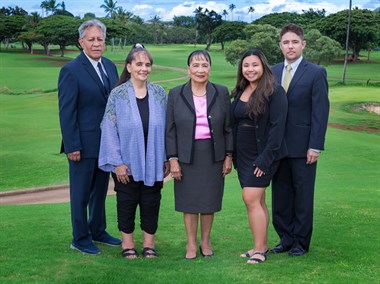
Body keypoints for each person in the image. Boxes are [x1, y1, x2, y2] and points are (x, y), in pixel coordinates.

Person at [98, 44, 169, 259]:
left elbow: (167, 127)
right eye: (139, 64)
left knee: (151, 203)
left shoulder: (159, 93)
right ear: (129, 66)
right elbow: (109, 128)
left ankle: (149, 245)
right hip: (125, 164)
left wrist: (166, 158)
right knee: (127, 204)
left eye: (147, 64)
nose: (144, 68)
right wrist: (117, 162)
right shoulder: (117, 95)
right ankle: (127, 245)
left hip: (154, 160)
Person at [58, 19, 121, 255]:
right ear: (81, 42)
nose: (96, 43)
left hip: (105, 144)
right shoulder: (71, 70)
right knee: (80, 194)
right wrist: (72, 145)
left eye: (100, 39)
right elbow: (67, 111)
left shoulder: (109, 66)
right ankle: (80, 238)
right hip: (81, 146)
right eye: (91, 39)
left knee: (100, 191)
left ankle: (98, 230)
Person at [165, 50, 233, 259]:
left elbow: (229, 128)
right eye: (196, 65)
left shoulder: (221, 92)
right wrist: (173, 159)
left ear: (210, 69)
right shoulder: (175, 94)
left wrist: (229, 155)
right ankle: (191, 244)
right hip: (186, 156)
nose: (200, 70)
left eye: (204, 65)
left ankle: (205, 242)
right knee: (189, 202)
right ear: (189, 69)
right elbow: (170, 130)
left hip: (213, 156)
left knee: (209, 202)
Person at [270, 23, 329, 256]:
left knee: (302, 196)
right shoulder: (272, 71)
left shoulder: (316, 72)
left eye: (295, 41)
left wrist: (315, 145)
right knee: (281, 196)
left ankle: (300, 242)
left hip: (304, 147)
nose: (290, 46)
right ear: (280, 45)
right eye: (286, 42)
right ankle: (285, 239)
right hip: (278, 147)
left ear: (303, 44)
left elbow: (320, 112)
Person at [231, 49, 288, 264]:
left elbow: (277, 130)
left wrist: (265, 159)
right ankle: (261, 245)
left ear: (263, 66)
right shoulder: (241, 90)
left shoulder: (275, 92)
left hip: (264, 155)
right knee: (258, 200)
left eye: (254, 65)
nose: (250, 69)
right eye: (246, 65)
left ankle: (259, 251)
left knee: (250, 198)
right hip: (243, 156)